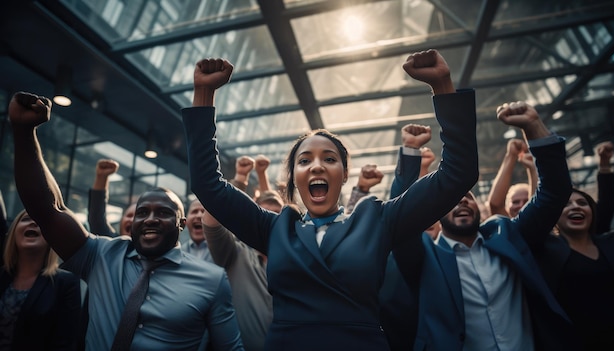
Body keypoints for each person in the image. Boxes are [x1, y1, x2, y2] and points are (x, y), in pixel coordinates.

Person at [184, 49, 478, 350]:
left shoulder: (377, 221)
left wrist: (442, 86)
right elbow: (208, 185)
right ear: (294, 177)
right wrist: (204, 93)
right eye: (304, 160)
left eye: (329, 158)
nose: (317, 166)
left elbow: (457, 174)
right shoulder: (274, 229)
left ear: (345, 173)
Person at [8, 91, 243, 350]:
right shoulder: (101, 255)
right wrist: (24, 131)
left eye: (163, 212)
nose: (150, 219)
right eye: (142, 212)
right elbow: (47, 209)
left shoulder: (211, 279)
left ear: (181, 223)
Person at [390, 101, 578, 350]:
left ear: (478, 204)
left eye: (467, 196)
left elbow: (554, 192)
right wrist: (411, 151)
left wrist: (534, 127)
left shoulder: (508, 237)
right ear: (435, 213)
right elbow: (400, 220)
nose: (461, 203)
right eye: (452, 201)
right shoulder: (424, 257)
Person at [535, 189, 614, 350]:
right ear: (553, 216)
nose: (576, 207)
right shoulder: (545, 253)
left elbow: (606, 205)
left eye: (582, 203)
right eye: (566, 204)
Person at [203, 190, 282, 351]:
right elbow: (211, 221)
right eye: (264, 214)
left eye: (276, 216)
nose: (270, 222)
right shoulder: (235, 253)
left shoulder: (294, 260)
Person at [1, 210, 84, 350]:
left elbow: (65, 344)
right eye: (26, 219)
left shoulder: (67, 284)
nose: (33, 222)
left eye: (40, 221)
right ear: (14, 231)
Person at [487, 138, 538, 217]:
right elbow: (495, 205)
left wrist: (532, 169)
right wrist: (511, 155)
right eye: (515, 202)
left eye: (527, 201)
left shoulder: (543, 224)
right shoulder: (507, 226)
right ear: (506, 206)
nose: (521, 206)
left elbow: (536, 207)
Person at [88, 158, 135, 237]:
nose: (132, 220)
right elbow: (97, 220)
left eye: (139, 216)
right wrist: (102, 177)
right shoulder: (113, 245)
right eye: (129, 215)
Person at [180, 198, 214, 263]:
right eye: (194, 211)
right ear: (185, 221)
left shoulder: (223, 251)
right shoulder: (179, 252)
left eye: (204, 211)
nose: (199, 215)